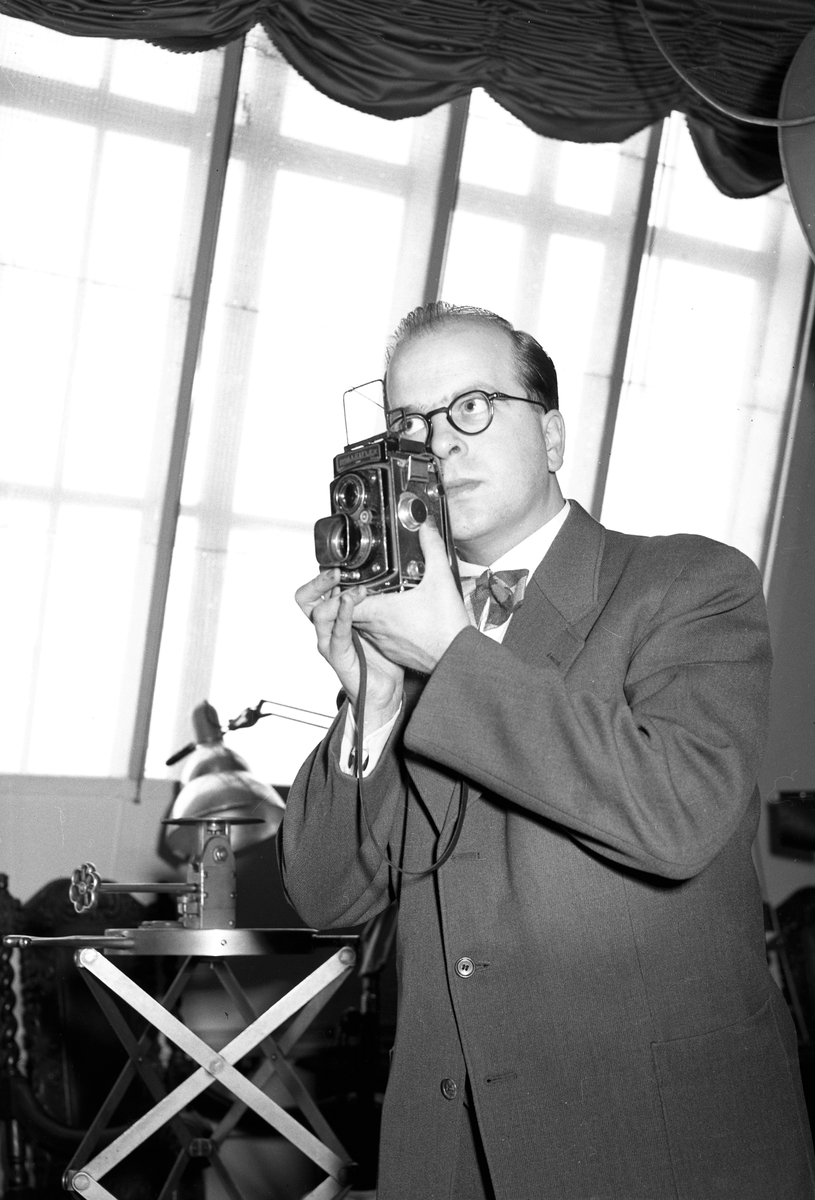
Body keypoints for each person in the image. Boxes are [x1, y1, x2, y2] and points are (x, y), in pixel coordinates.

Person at [279, 302, 815, 1199]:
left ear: (553, 435)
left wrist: (449, 655)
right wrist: (373, 702)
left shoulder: (688, 582)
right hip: (453, 1156)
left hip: (652, 1151)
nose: (437, 444)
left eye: (472, 407)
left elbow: (677, 815)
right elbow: (324, 894)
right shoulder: (409, 631)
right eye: (408, 424)